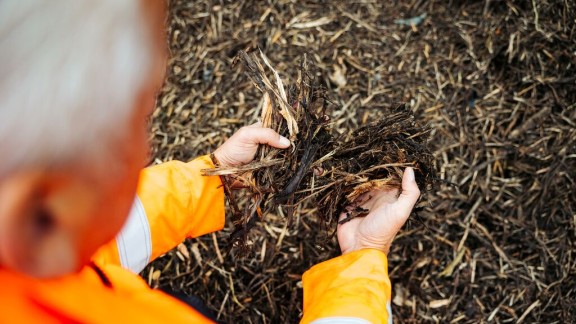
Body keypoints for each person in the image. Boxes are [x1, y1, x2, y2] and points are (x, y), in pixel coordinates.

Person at [0, 1, 420, 323]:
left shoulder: (30, 256)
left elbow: (104, 241)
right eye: (137, 123)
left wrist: (216, 176)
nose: (146, 150)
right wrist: (365, 255)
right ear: (46, 201)